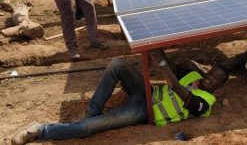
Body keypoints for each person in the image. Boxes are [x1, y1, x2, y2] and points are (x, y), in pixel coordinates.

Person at [11, 49, 229, 144]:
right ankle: (93, 110)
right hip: (146, 92)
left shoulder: (204, 104)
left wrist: (160, 62)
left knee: (92, 127)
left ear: (219, 88)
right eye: (211, 72)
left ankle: (40, 130)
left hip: (145, 111)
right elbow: (170, 65)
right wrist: (157, 48)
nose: (210, 77)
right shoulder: (193, 74)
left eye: (216, 78)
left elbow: (174, 84)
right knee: (117, 64)